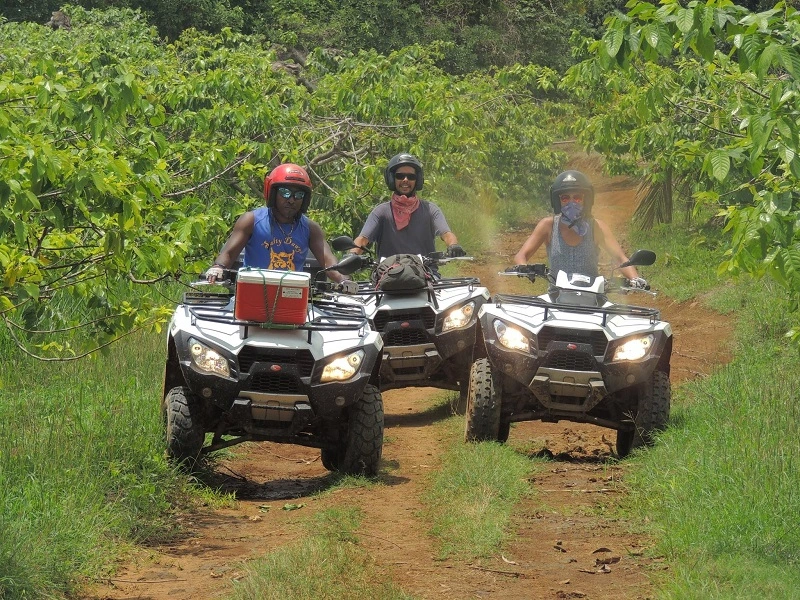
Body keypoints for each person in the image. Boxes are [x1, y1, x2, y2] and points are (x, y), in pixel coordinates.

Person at [205, 163, 353, 288]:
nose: (292, 200)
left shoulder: (311, 229)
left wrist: (344, 280)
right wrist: (218, 268)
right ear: (273, 194)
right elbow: (229, 253)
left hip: (292, 295)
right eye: (285, 192)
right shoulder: (251, 220)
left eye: (299, 195)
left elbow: (328, 262)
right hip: (252, 292)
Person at [514, 170, 647, 286]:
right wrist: (523, 268)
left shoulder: (597, 227)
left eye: (577, 197)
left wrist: (635, 279)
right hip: (556, 296)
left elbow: (620, 258)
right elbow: (521, 255)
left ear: (586, 200)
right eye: (565, 198)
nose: (571, 202)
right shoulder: (549, 226)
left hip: (592, 296)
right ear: (557, 201)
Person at [349, 153, 466, 262]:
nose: (405, 180)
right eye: (400, 176)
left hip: (425, 272)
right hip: (387, 273)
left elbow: (446, 234)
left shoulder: (430, 210)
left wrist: (453, 245)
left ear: (417, 180)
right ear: (391, 179)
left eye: (411, 177)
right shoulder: (381, 212)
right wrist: (352, 255)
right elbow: (362, 239)